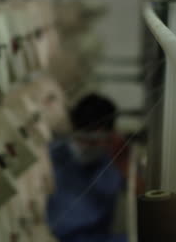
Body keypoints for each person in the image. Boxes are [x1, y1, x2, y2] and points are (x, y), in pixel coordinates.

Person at [47, 93, 129, 242]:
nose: (88, 147)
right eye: (84, 140)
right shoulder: (50, 157)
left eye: (96, 142)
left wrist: (124, 165)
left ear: (109, 137)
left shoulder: (112, 163)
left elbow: (145, 198)